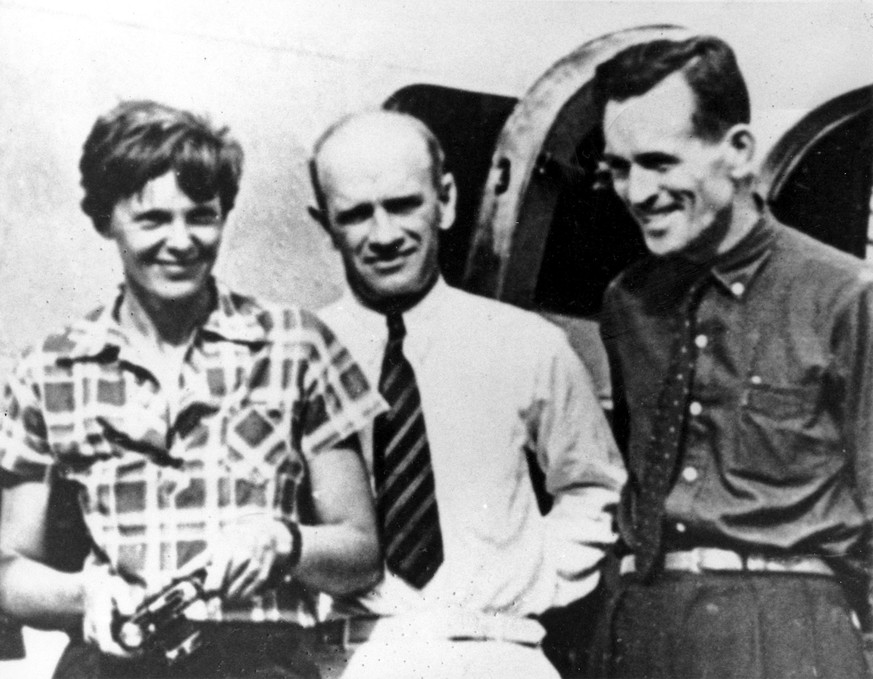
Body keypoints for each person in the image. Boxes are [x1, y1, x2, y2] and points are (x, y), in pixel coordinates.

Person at [0, 100, 385, 679]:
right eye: (152, 220)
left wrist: (285, 542)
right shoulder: (46, 369)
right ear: (105, 219)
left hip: (260, 661)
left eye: (201, 216)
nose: (181, 242)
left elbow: (361, 553)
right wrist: (84, 596)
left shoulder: (296, 344)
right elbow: (9, 569)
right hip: (111, 662)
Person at [308, 109, 626, 678]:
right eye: (356, 215)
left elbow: (596, 487)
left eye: (404, 204)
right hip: (352, 656)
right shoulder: (296, 356)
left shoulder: (529, 345)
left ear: (447, 200)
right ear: (325, 226)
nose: (384, 235)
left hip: (497, 651)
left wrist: (534, 575)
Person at [593, 35, 873, 678]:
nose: (637, 191)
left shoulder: (844, 299)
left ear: (739, 151)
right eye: (617, 167)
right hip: (639, 624)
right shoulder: (629, 303)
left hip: (786, 630)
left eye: (660, 162)